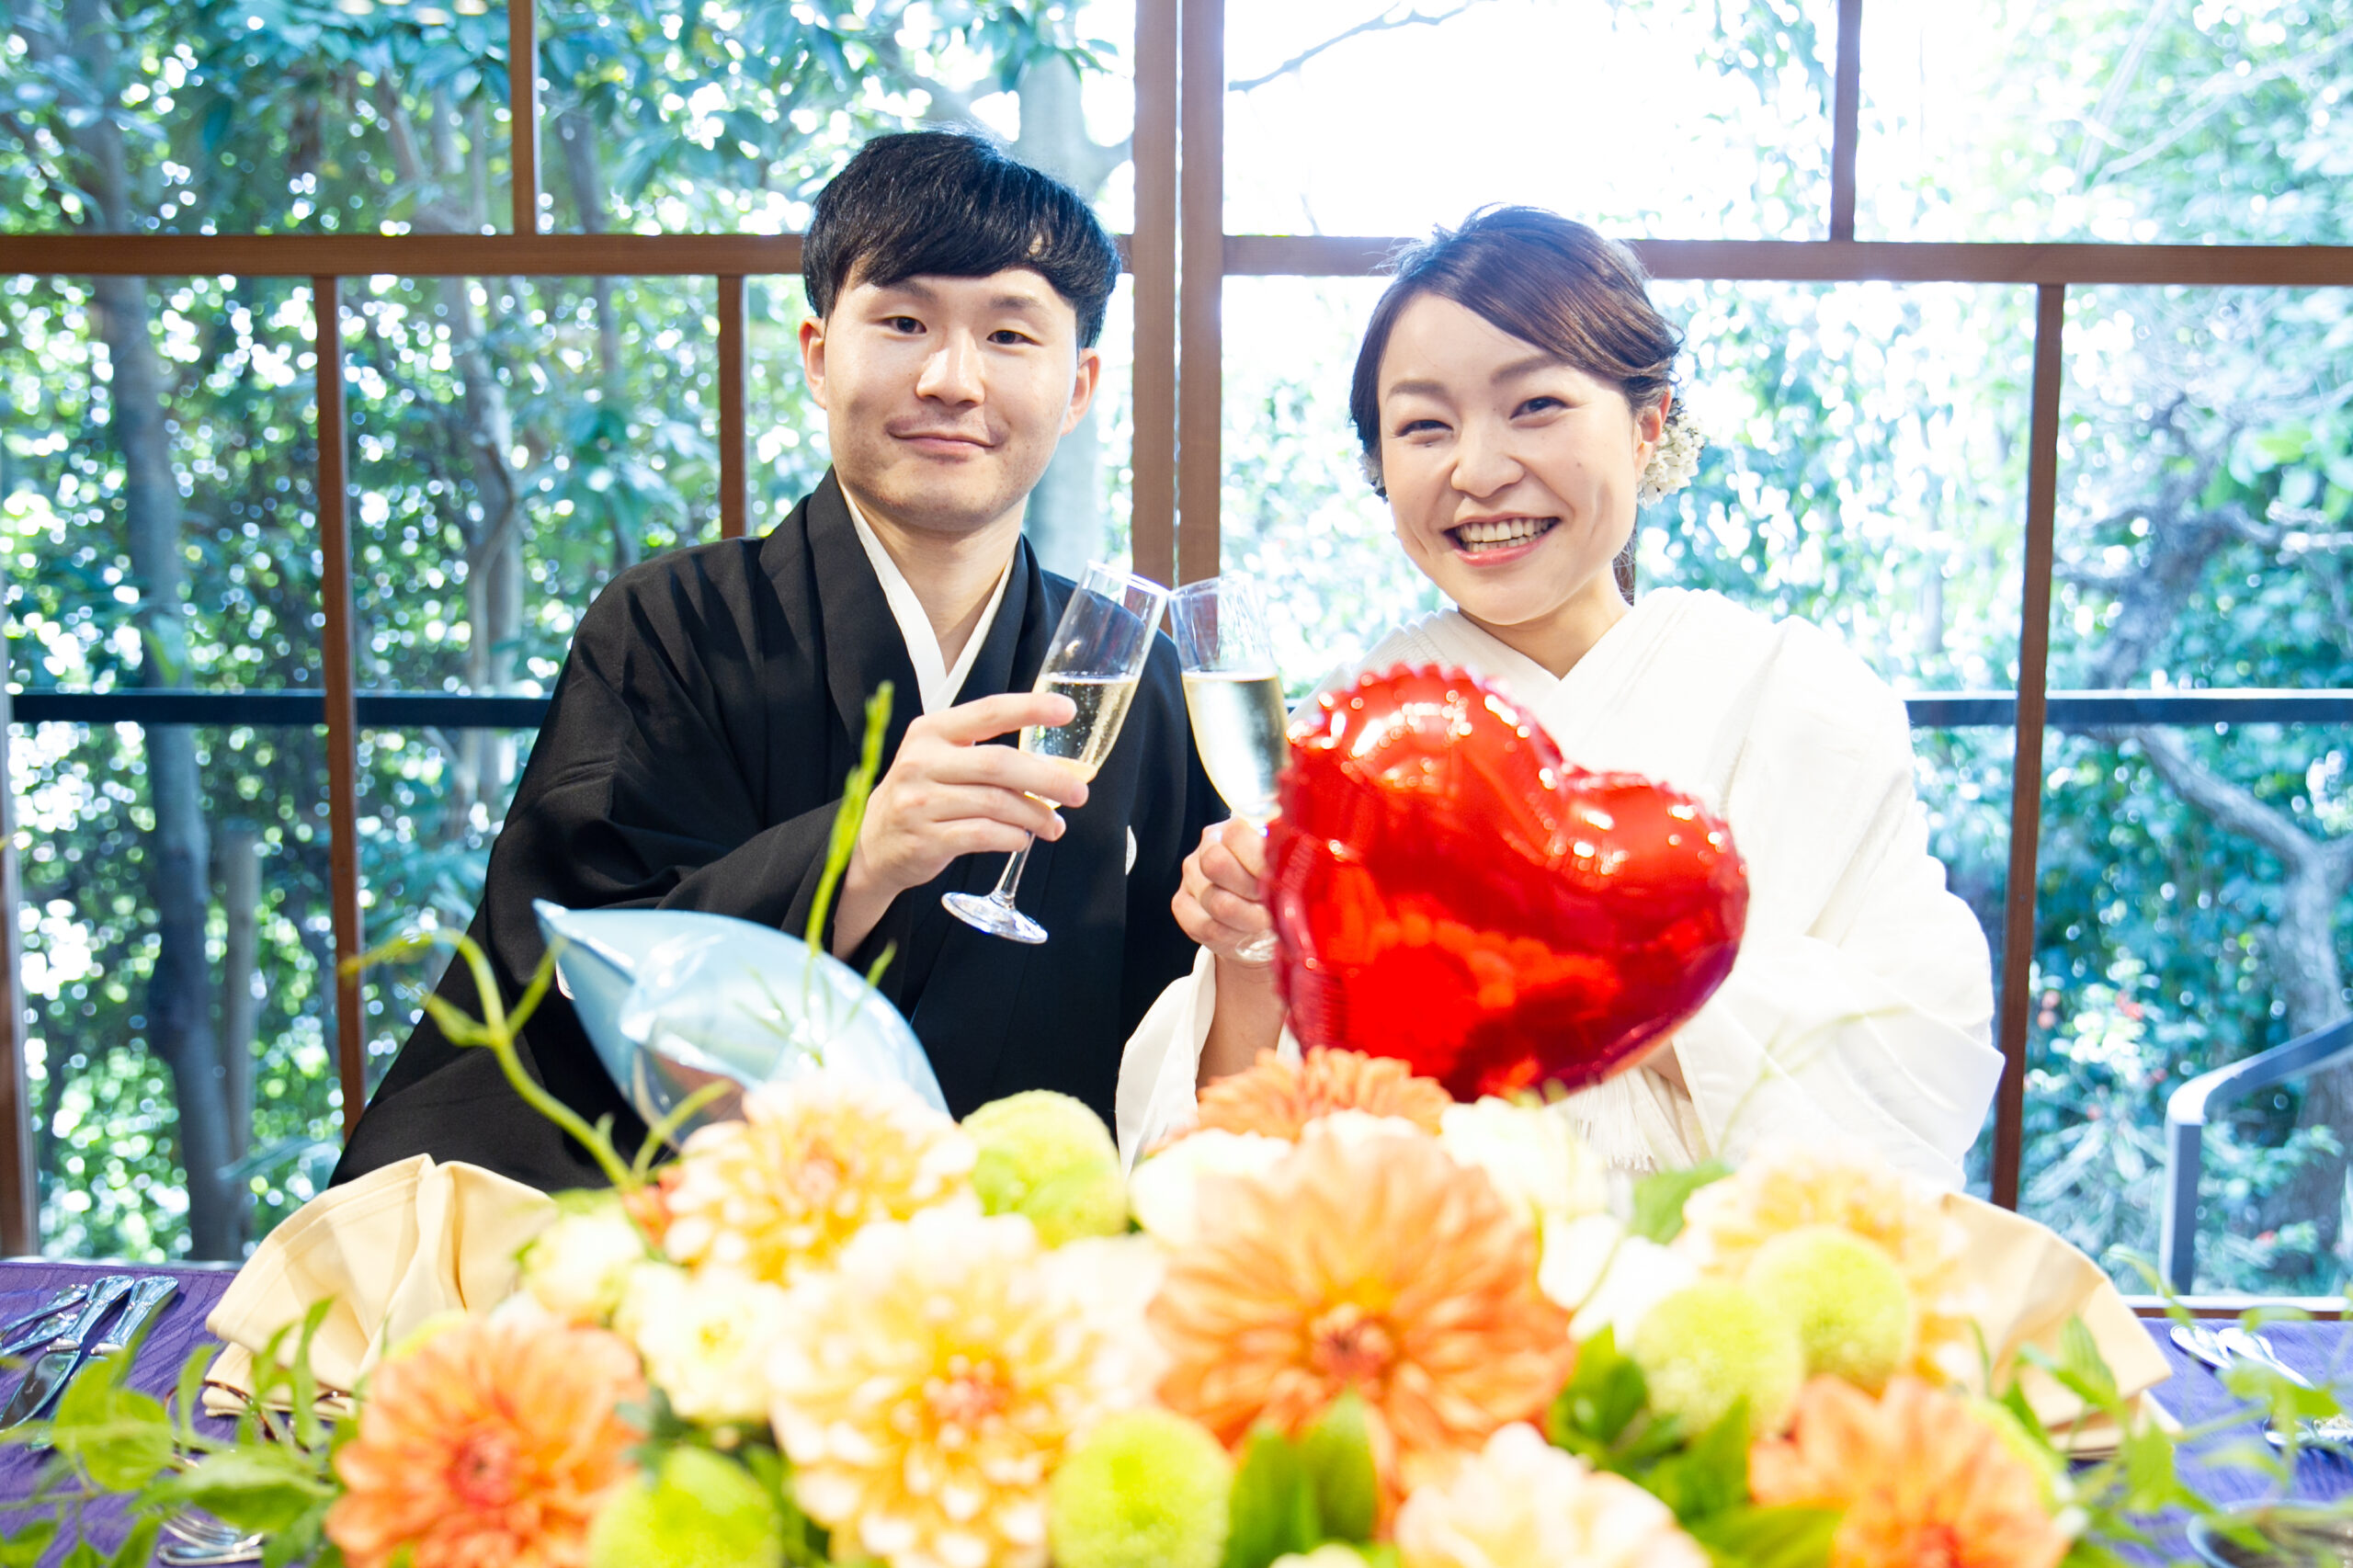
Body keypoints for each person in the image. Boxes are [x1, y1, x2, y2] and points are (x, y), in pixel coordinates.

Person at [337, 131, 1220, 1191]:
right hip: (710, 1242)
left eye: (1008, 334)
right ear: (815, 353)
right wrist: (857, 855)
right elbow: (569, 960)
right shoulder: (670, 626)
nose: (951, 378)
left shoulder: (1137, 681)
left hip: (1019, 1256)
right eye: (903, 322)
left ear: (1077, 387)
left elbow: (1185, 1026)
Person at [1117, 207, 2001, 1188]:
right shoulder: (1346, 742)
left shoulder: (1799, 703)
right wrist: (1250, 956)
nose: (1478, 470)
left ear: (1648, 423)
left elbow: (1922, 1071)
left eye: (1535, 405)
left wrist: (1568, 957)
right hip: (1431, 1273)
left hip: (1735, 1274)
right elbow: (1219, 1163)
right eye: (1423, 426)